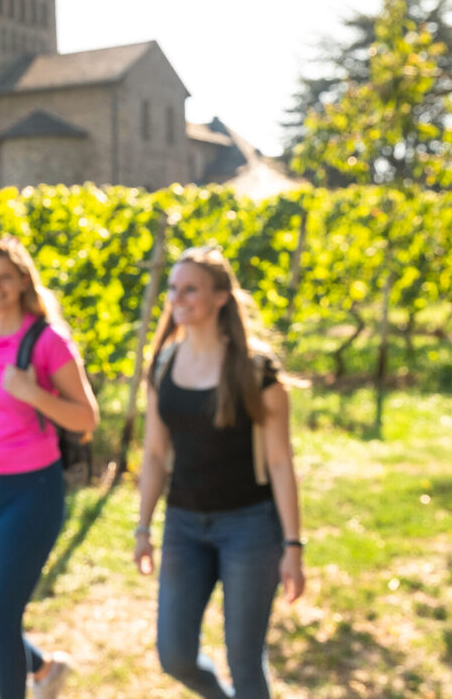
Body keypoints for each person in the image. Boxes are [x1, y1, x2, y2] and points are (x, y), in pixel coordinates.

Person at [133, 244, 306, 699]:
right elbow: (155, 454)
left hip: (250, 527)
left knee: (245, 661)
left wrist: (293, 545)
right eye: (173, 288)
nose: (178, 298)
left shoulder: (255, 370)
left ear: (220, 297)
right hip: (184, 525)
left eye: (190, 289)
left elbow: (280, 462)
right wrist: (143, 527)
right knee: (175, 655)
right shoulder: (164, 364)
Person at [0, 236, 99, 699]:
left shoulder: (47, 340)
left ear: (24, 281)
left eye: (5, 277)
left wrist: (34, 394)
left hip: (31, 492)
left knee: (3, 617)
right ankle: (46, 669)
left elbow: (86, 419)